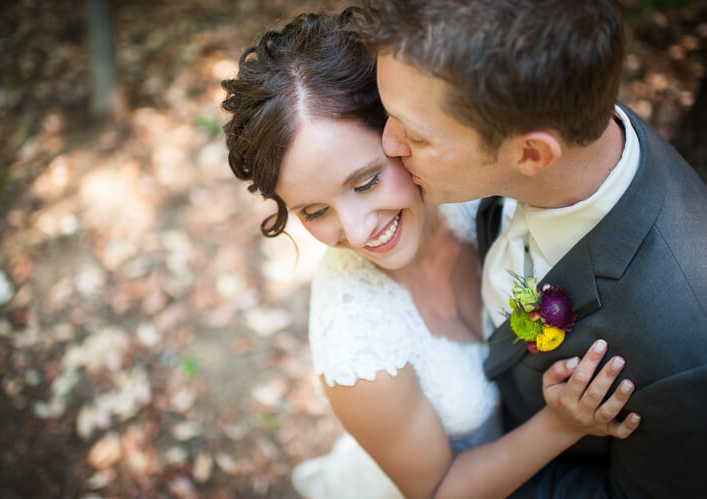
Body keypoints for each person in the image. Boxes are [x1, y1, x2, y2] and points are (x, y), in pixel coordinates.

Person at [222, 8, 641, 498]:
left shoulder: (477, 186)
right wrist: (560, 427)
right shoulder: (357, 347)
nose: (357, 233)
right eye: (314, 211)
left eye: (367, 181)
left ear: (404, 132)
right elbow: (436, 491)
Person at [360, 0, 707, 497]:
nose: (389, 144)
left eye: (414, 134)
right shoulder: (555, 114)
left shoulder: (687, 352)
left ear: (531, 154)